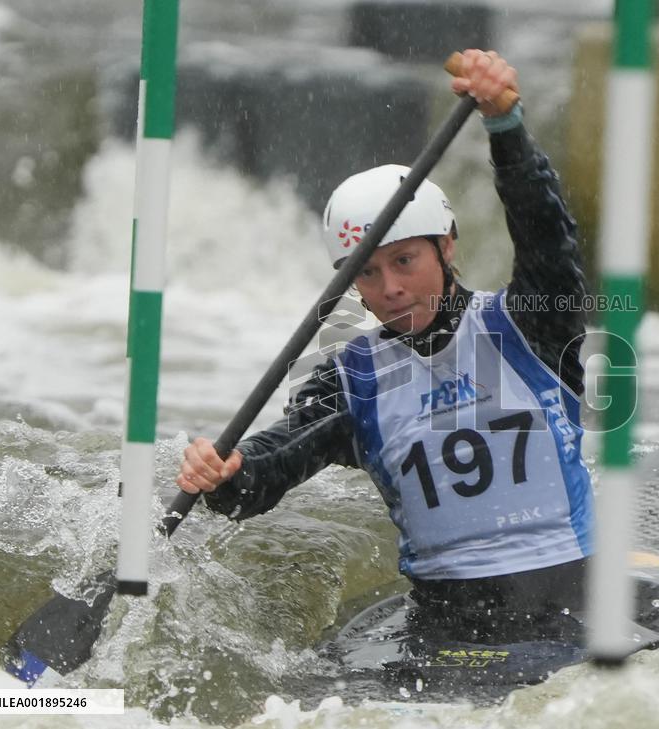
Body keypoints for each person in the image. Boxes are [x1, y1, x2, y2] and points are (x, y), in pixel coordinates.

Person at [177, 49, 593, 640]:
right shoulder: (351, 379)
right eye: (365, 273)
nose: (391, 289)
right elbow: (270, 470)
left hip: (569, 608)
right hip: (444, 625)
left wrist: (505, 125)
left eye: (405, 261)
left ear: (447, 247)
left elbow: (545, 230)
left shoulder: (531, 324)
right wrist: (225, 477)